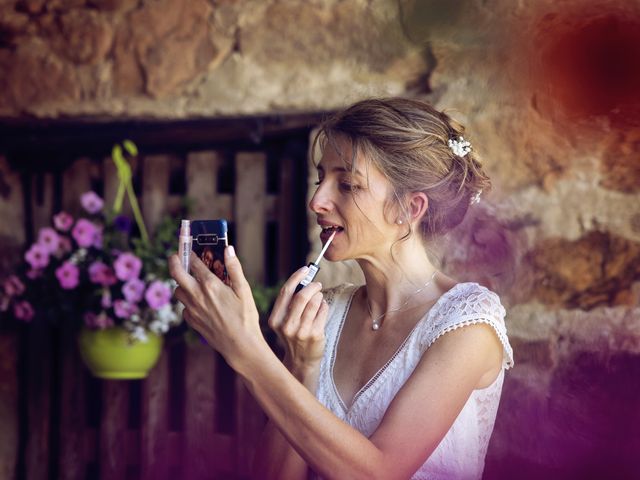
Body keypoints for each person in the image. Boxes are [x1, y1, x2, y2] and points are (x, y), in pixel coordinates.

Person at [169, 97, 514, 479]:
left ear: (409, 209)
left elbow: (380, 472)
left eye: (347, 184)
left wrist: (246, 349)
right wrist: (300, 367)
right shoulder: (326, 316)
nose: (317, 201)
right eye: (321, 179)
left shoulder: (468, 323)